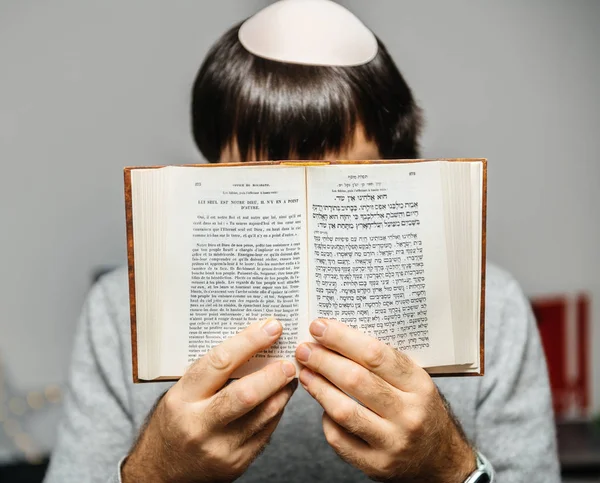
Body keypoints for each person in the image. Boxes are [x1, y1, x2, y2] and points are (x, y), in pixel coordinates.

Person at [44, 2, 560, 482]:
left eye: (345, 180)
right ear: (208, 169)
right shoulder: (117, 310)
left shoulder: (495, 308)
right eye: (261, 180)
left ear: (398, 164)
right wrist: (155, 471)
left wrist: (448, 467)